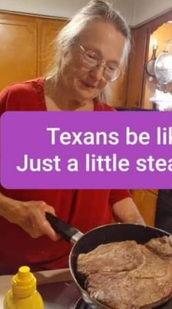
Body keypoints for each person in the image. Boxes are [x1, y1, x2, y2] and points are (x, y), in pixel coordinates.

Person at [0, 0, 145, 275]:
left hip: (87, 268)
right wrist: (15, 210)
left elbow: (117, 194)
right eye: (91, 56)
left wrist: (146, 238)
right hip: (19, 273)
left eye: (111, 67)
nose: (98, 76)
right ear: (67, 45)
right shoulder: (17, 101)